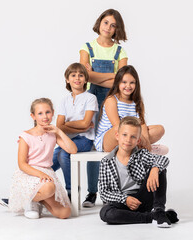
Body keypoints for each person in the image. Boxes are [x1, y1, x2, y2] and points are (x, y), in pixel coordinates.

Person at [79, 9, 128, 207]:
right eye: (106, 22)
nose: (108, 27)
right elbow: (84, 76)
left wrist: (97, 76)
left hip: (114, 101)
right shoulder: (87, 47)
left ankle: (115, 190)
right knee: (92, 145)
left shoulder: (120, 51)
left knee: (115, 143)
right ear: (99, 23)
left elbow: (122, 81)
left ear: (117, 29)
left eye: (113, 25)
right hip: (92, 100)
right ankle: (92, 192)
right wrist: (111, 77)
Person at [98, 116, 179, 227]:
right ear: (117, 136)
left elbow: (163, 159)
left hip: (143, 199)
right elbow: (104, 192)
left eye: (133, 137)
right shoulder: (106, 162)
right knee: (105, 213)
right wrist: (124, 199)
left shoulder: (141, 155)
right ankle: (151, 217)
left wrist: (154, 170)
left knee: (159, 167)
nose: (128, 140)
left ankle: (159, 210)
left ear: (138, 140)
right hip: (123, 202)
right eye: (124, 135)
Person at [8, 98, 77, 219]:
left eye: (47, 112)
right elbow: (22, 164)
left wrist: (59, 131)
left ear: (53, 112)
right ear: (33, 116)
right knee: (49, 187)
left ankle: (39, 200)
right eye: (40, 113)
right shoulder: (26, 136)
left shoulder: (53, 134)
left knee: (65, 213)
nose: (45, 116)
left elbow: (73, 150)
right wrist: (39, 174)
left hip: (47, 174)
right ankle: (29, 200)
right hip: (30, 173)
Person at [51, 63, 98, 205]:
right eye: (73, 75)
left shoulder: (90, 98)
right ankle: (29, 193)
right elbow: (59, 126)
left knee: (63, 153)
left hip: (85, 139)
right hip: (67, 140)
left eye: (81, 75)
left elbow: (86, 124)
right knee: (46, 164)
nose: (77, 78)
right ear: (67, 79)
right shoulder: (64, 100)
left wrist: (69, 126)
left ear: (85, 80)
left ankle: (71, 193)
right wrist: (79, 126)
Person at [95, 65, 168, 154]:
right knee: (119, 128)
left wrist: (147, 141)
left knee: (159, 129)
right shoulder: (111, 100)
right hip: (110, 139)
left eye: (132, 82)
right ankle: (142, 148)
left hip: (130, 137)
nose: (128, 86)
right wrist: (143, 138)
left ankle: (143, 147)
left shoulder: (137, 102)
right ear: (118, 83)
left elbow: (142, 124)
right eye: (124, 82)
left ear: (136, 84)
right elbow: (119, 127)